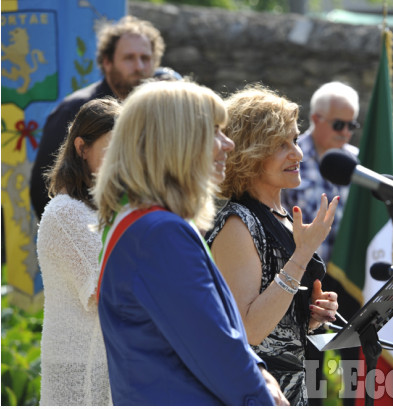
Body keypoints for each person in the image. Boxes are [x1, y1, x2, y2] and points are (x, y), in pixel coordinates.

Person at [93, 80, 283, 405]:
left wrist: (261, 372)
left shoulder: (143, 223)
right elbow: (216, 348)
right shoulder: (158, 233)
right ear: (175, 140)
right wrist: (262, 396)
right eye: (215, 132)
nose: (228, 145)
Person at [206, 85, 340, 406]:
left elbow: (278, 323)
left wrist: (310, 316)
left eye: (294, 140)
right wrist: (302, 255)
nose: (297, 153)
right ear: (251, 152)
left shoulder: (279, 215)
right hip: (258, 392)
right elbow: (249, 331)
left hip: (294, 387)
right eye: (280, 145)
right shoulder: (238, 223)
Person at [30, 15, 165, 220]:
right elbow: (43, 190)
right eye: (129, 58)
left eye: (146, 58)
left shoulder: (154, 112)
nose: (139, 66)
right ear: (107, 62)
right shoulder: (74, 109)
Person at [37, 97, 121, 405]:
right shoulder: (66, 213)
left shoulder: (111, 211)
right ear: (82, 148)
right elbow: (107, 292)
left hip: (110, 364)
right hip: (80, 369)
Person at [281, 81, 360, 405]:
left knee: (352, 358)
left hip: (348, 277)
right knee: (312, 362)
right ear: (316, 118)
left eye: (351, 125)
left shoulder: (357, 161)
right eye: (338, 124)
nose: (345, 132)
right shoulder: (291, 158)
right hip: (304, 277)